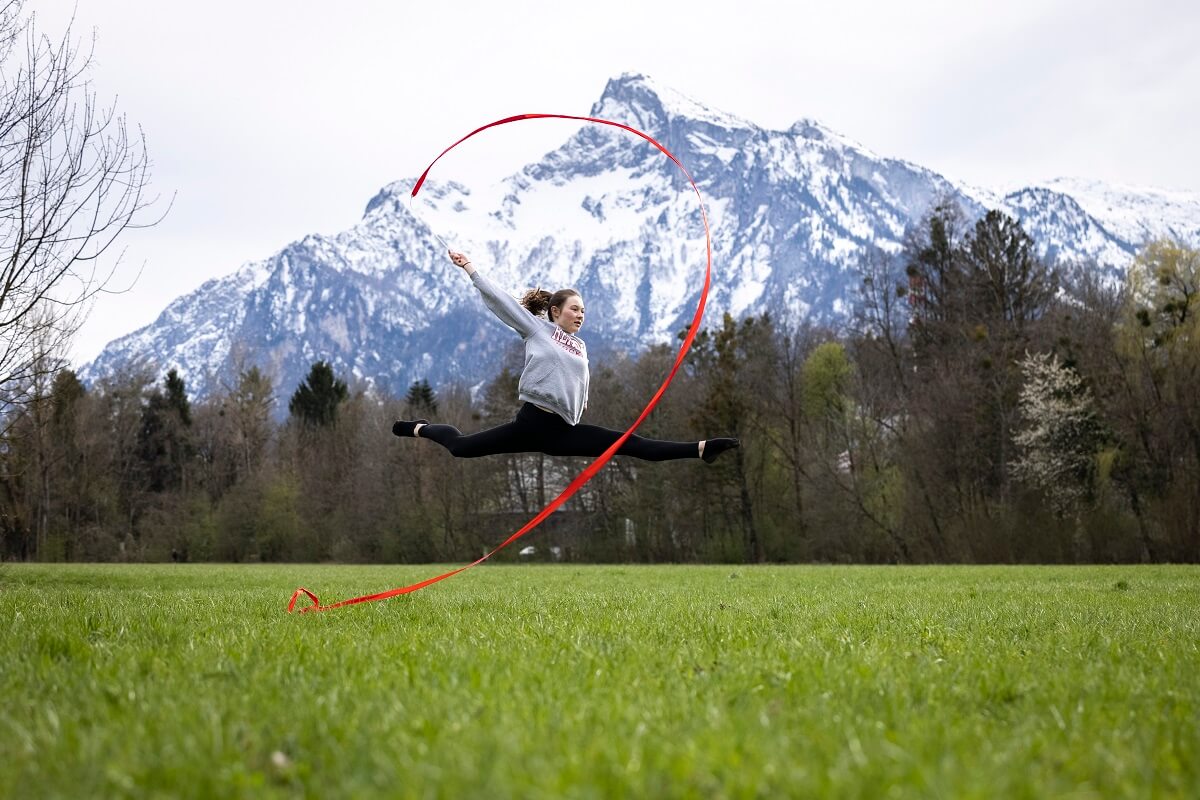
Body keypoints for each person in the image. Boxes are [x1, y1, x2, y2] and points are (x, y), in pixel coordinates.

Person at [392, 250, 739, 463]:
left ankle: (700, 449)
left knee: (629, 444)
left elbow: (577, 382)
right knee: (460, 447)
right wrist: (470, 268)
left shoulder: (581, 346)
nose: (580, 315)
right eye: (575, 309)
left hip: (562, 432)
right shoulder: (537, 329)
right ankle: (420, 428)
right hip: (531, 425)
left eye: (583, 310)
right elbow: (501, 301)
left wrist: (580, 402)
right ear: (555, 311)